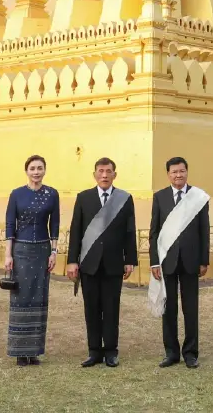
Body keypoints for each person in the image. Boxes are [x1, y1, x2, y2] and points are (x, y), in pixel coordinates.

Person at [66, 157, 137, 367]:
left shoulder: (124, 198)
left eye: (108, 171)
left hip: (114, 263)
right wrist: (72, 261)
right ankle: (94, 351)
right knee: (92, 309)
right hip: (89, 263)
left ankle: (111, 351)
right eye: (100, 171)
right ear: (94, 174)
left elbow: (129, 230)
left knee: (111, 308)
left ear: (115, 174)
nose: (104, 175)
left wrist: (130, 259)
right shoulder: (83, 198)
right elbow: (76, 231)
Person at [148, 156, 211, 369]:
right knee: (169, 309)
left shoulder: (198, 197)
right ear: (168, 174)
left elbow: (204, 230)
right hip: (167, 261)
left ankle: (191, 353)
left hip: (191, 261)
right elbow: (154, 232)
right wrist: (154, 262)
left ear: (187, 172)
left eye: (182, 171)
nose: (178, 175)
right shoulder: (160, 197)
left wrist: (204, 260)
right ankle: (171, 353)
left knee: (190, 309)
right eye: (174, 172)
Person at [4, 155, 60, 366]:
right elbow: (10, 224)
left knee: (39, 298)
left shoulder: (52, 194)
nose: (36, 172)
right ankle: (20, 351)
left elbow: (54, 224)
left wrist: (54, 252)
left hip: (43, 251)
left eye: (40, 168)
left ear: (45, 170)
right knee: (21, 298)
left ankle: (34, 351)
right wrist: (8, 254)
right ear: (26, 171)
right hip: (21, 250)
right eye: (32, 168)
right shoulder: (17, 194)